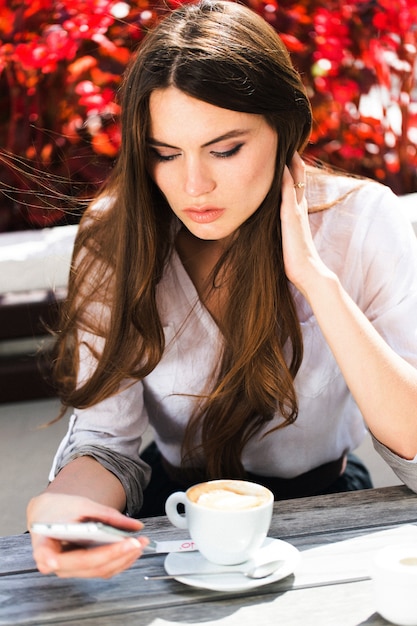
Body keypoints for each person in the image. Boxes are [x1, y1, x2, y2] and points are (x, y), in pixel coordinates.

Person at [27, 0, 417, 579]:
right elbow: (104, 440)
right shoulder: (118, 235)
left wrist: (315, 277)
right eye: (164, 154)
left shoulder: (361, 222)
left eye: (224, 149)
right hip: (175, 514)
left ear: (286, 130)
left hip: (326, 508)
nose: (193, 186)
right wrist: (61, 510)